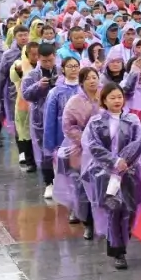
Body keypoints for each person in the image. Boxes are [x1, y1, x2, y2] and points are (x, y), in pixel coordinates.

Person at [82, 83, 141, 269]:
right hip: (106, 174)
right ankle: (117, 250)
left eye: (119, 97)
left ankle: (122, 240)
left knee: (129, 210)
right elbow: (93, 146)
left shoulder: (133, 120)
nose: (117, 100)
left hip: (129, 173)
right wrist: (113, 162)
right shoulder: (95, 122)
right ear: (104, 100)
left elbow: (140, 141)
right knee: (114, 209)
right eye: (112, 97)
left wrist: (126, 161)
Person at [52, 66, 101, 237]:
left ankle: (102, 221)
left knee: (102, 186)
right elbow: (69, 126)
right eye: (88, 78)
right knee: (82, 186)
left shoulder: (105, 96)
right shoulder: (74, 102)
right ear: (81, 82)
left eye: (95, 77)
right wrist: (87, 140)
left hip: (104, 149)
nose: (92, 81)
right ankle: (87, 222)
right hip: (80, 149)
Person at [22, 43, 60, 197]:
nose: (48, 64)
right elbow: (26, 95)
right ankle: (48, 182)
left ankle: (62, 180)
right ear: (38, 58)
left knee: (61, 150)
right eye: (44, 61)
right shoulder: (32, 75)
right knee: (45, 152)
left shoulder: (61, 72)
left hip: (59, 116)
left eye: (50, 60)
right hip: (41, 117)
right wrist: (38, 86)